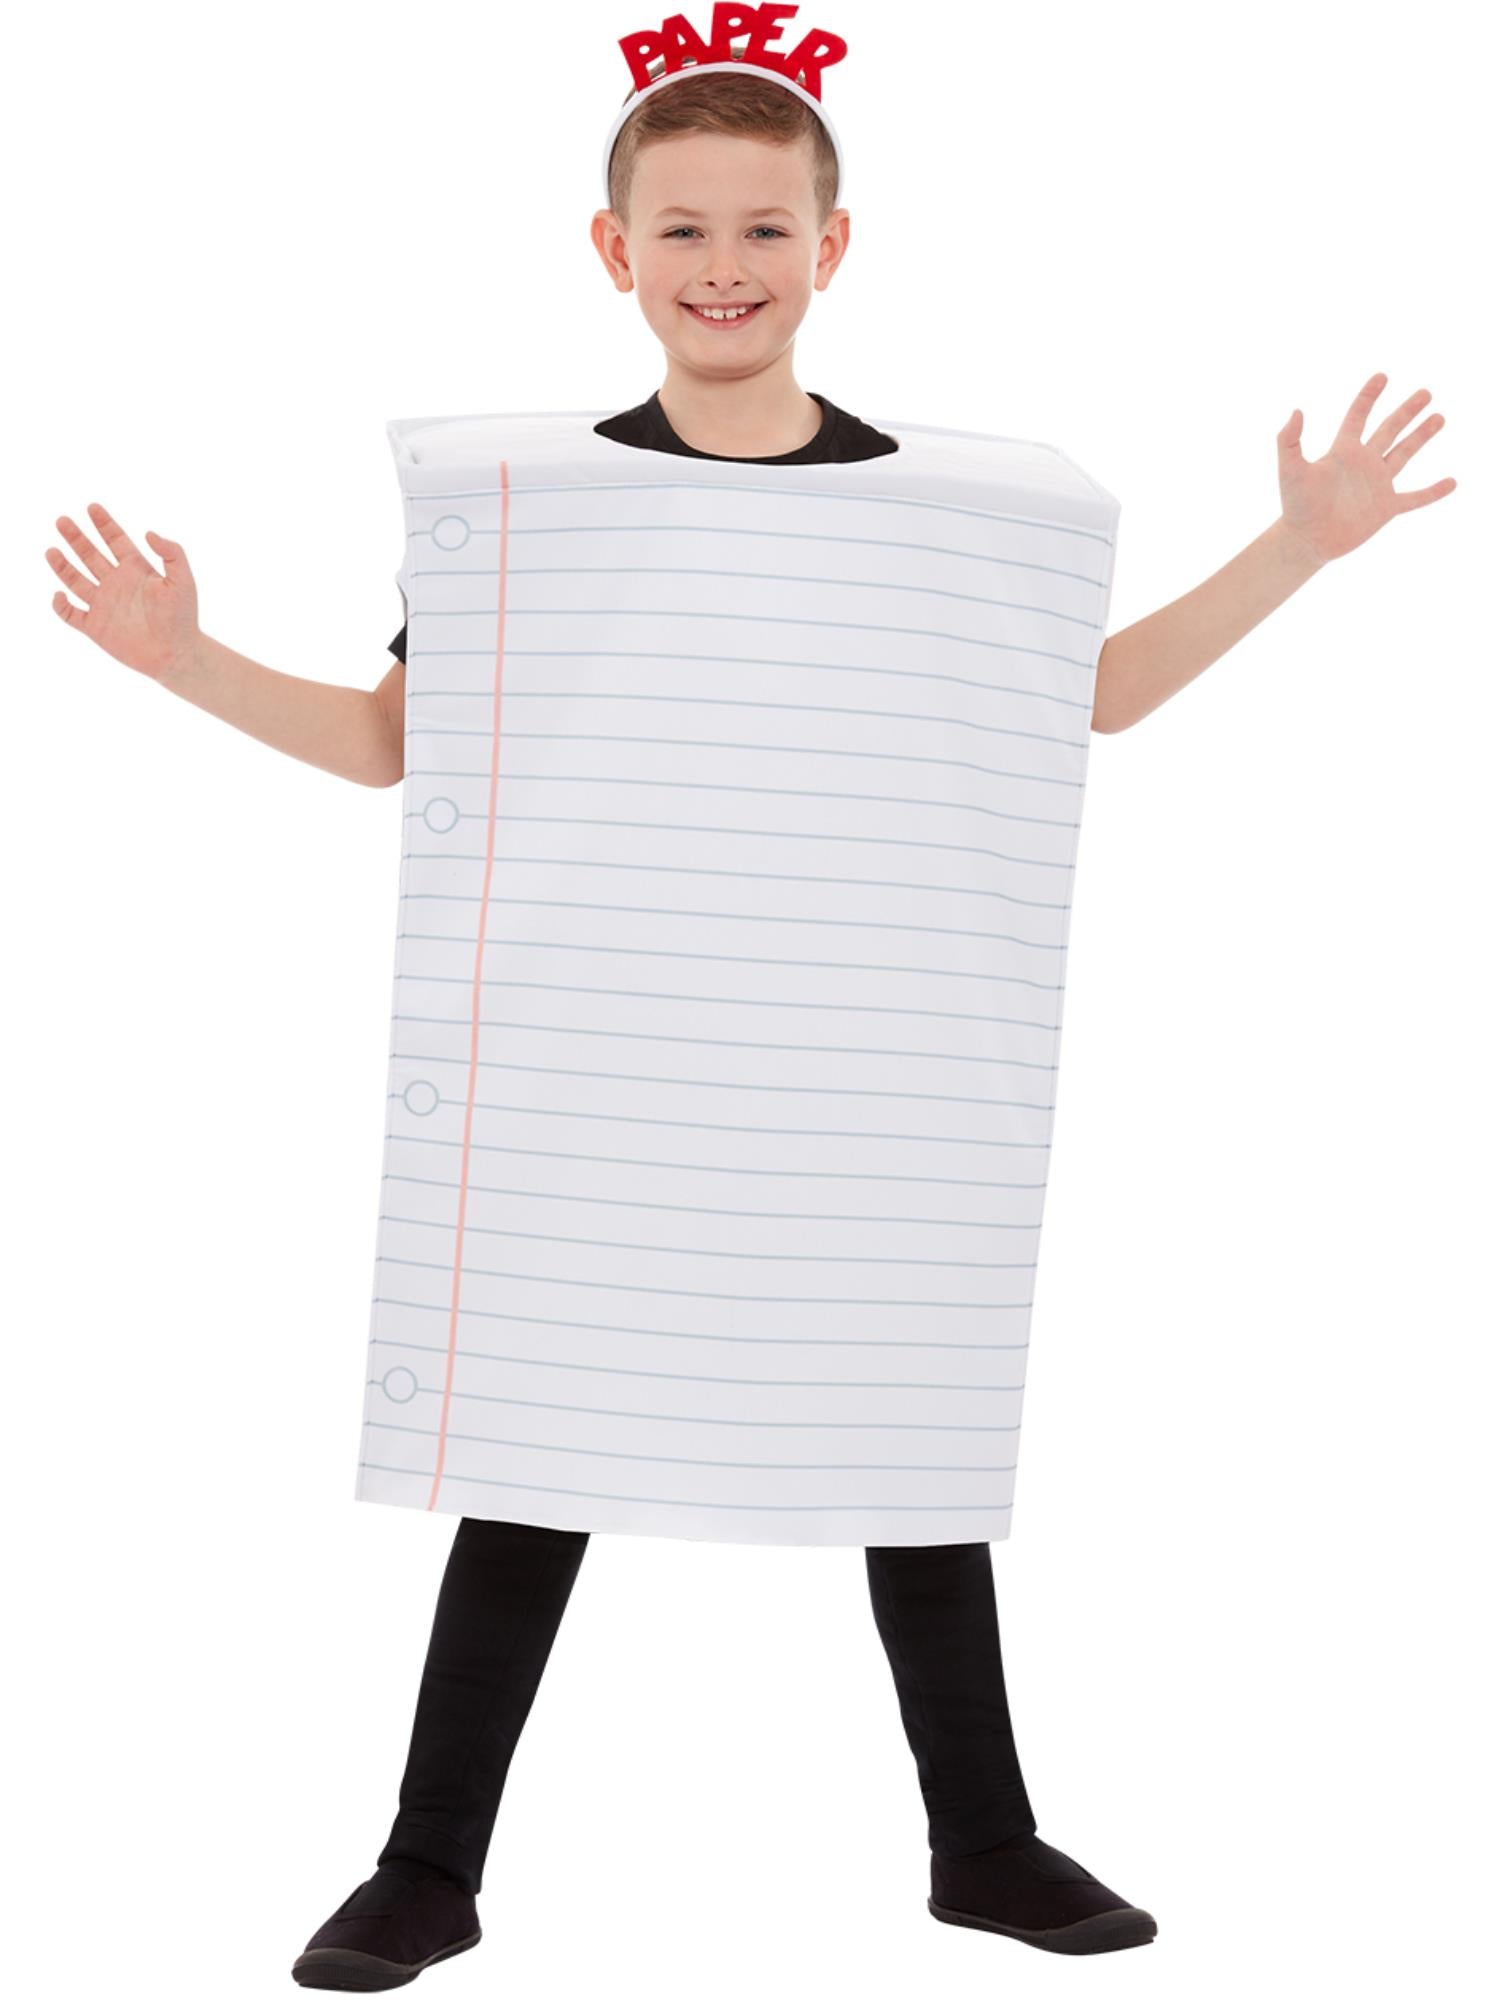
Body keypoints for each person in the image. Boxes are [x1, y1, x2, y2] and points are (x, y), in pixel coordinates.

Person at [43, 21, 1455, 1994]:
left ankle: (983, 1840)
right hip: (609, 1069)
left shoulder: (958, 516)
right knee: (540, 1443)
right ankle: (429, 1865)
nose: (726, 265)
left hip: (856, 1067)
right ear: (611, 248)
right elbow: (392, 739)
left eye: (765, 228)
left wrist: (1298, 546)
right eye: (685, 228)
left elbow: (1089, 698)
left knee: (902, 1427)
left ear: (833, 247)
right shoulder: (534, 510)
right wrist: (186, 659)